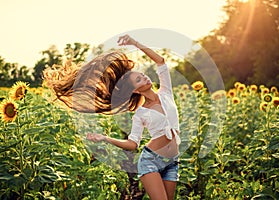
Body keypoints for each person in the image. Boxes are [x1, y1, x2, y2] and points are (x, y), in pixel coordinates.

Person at [43, 35, 180, 200]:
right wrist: (105, 138)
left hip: (172, 161)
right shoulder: (140, 113)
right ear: (135, 90)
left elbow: (161, 61)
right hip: (151, 161)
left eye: (142, 75)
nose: (145, 77)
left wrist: (135, 43)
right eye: (138, 79)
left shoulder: (166, 93)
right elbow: (132, 144)